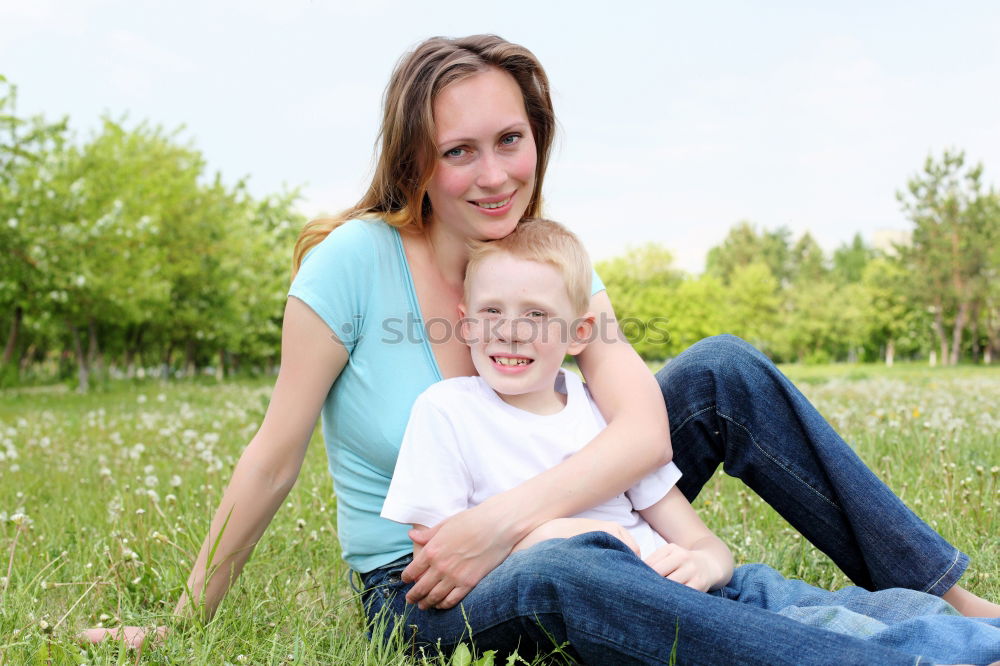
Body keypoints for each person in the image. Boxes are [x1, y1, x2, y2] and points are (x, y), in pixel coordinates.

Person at [84, 34, 999, 664]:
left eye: (511, 140)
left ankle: (953, 610)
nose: (494, 176)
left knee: (721, 370)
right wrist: (182, 623)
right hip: (426, 583)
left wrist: (509, 519)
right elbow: (273, 457)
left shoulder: (543, 265)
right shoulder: (352, 264)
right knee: (568, 568)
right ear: (415, 161)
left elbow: (643, 431)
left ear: (538, 139)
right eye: (460, 151)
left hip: (559, 522)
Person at [380, 217, 1000, 664]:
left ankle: (972, 638)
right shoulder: (448, 412)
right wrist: (562, 535)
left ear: (578, 332)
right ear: (464, 321)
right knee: (774, 632)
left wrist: (705, 561)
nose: (510, 332)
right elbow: (448, 562)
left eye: (536, 315)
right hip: (603, 586)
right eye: (491, 313)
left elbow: (701, 543)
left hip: (676, 578)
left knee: (827, 610)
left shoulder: (599, 415)